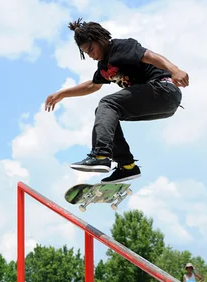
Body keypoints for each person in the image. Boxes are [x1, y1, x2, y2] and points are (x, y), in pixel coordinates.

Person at [45, 19, 189, 183]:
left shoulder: (120, 47)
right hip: (162, 104)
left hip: (164, 90)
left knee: (108, 104)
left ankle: (101, 155)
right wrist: (63, 93)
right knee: (106, 114)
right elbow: (93, 85)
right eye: (86, 52)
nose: (91, 55)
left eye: (91, 49)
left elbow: (149, 56)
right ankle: (126, 166)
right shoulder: (104, 66)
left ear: (100, 40)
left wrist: (175, 70)